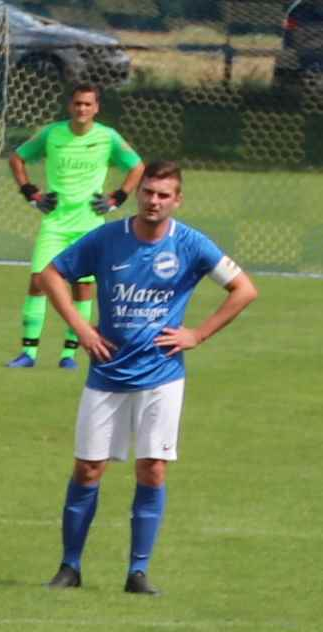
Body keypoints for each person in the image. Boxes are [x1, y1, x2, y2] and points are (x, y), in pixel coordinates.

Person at [37, 162, 257, 595]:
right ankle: (70, 567)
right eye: (148, 192)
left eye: (163, 195)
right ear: (138, 194)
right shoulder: (107, 239)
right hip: (107, 372)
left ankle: (137, 572)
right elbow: (50, 274)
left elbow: (244, 289)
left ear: (177, 200)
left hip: (162, 375)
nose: (154, 201)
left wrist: (198, 334)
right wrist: (81, 329)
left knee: (152, 468)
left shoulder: (191, 244)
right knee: (88, 468)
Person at [7, 84, 143, 370]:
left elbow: (137, 166)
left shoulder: (107, 137)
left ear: (96, 108)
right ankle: (28, 353)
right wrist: (30, 192)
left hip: (89, 226)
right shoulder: (51, 133)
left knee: (83, 288)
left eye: (87, 104)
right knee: (38, 282)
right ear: (70, 106)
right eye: (78, 103)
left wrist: (117, 197)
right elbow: (17, 157)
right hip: (55, 224)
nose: (82, 109)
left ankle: (69, 355)